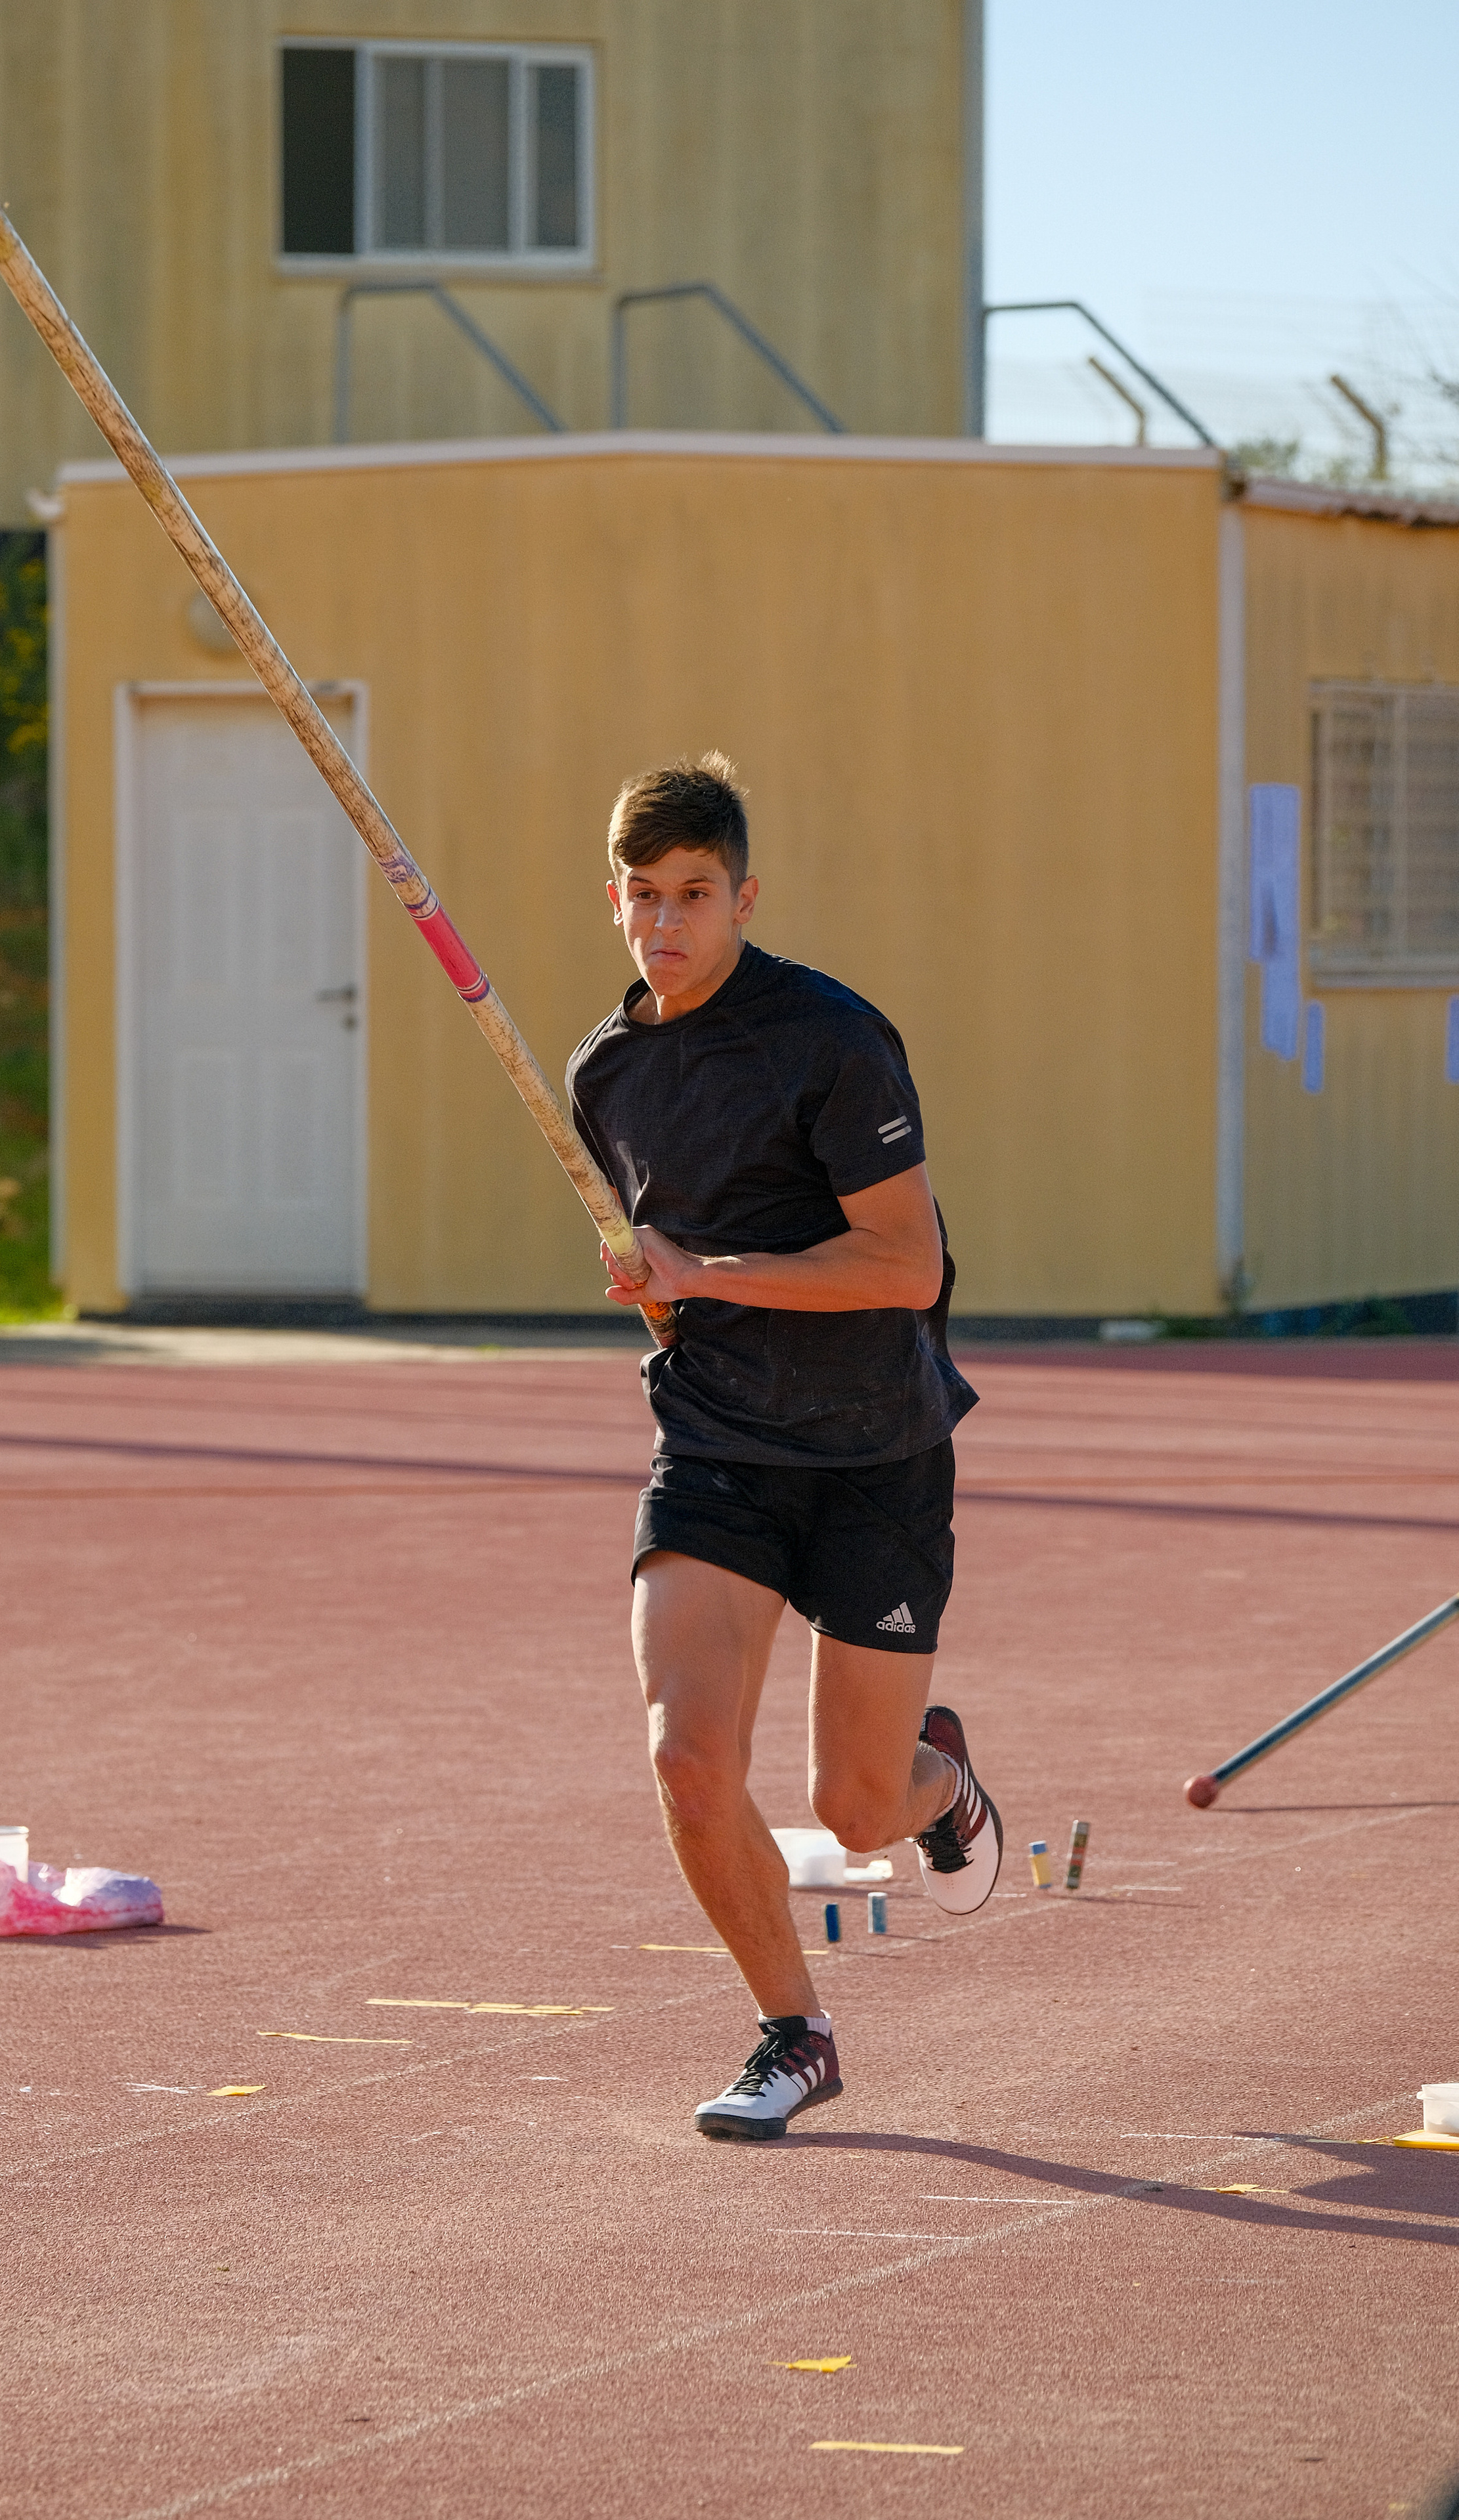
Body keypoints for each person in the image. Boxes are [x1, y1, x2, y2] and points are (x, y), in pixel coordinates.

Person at [567, 753, 1000, 2143]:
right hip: (715, 1444)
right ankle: (791, 2030)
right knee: (686, 1757)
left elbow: (902, 1260)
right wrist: (655, 1283)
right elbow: (664, 1256)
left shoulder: (831, 1039)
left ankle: (940, 1782)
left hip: (873, 1445)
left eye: (693, 893)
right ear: (615, 902)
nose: (665, 922)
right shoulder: (603, 1073)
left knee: (857, 1805)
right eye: (641, 895)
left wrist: (705, 1270)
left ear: (742, 895)